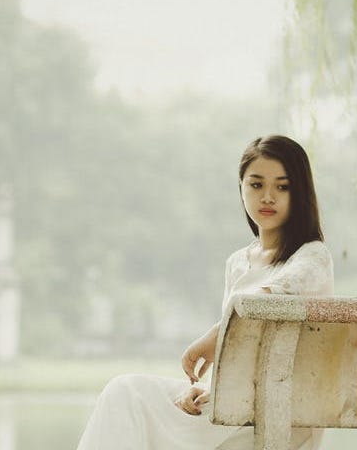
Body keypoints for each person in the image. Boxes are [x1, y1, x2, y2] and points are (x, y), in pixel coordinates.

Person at [76, 135, 333, 450]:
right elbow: (235, 360)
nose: (268, 196)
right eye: (256, 185)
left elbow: (268, 300)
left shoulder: (312, 256)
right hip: (231, 409)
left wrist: (215, 334)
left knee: (128, 396)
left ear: (301, 192)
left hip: (276, 419)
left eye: (283, 186)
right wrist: (204, 388)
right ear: (241, 188)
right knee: (124, 393)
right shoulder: (238, 263)